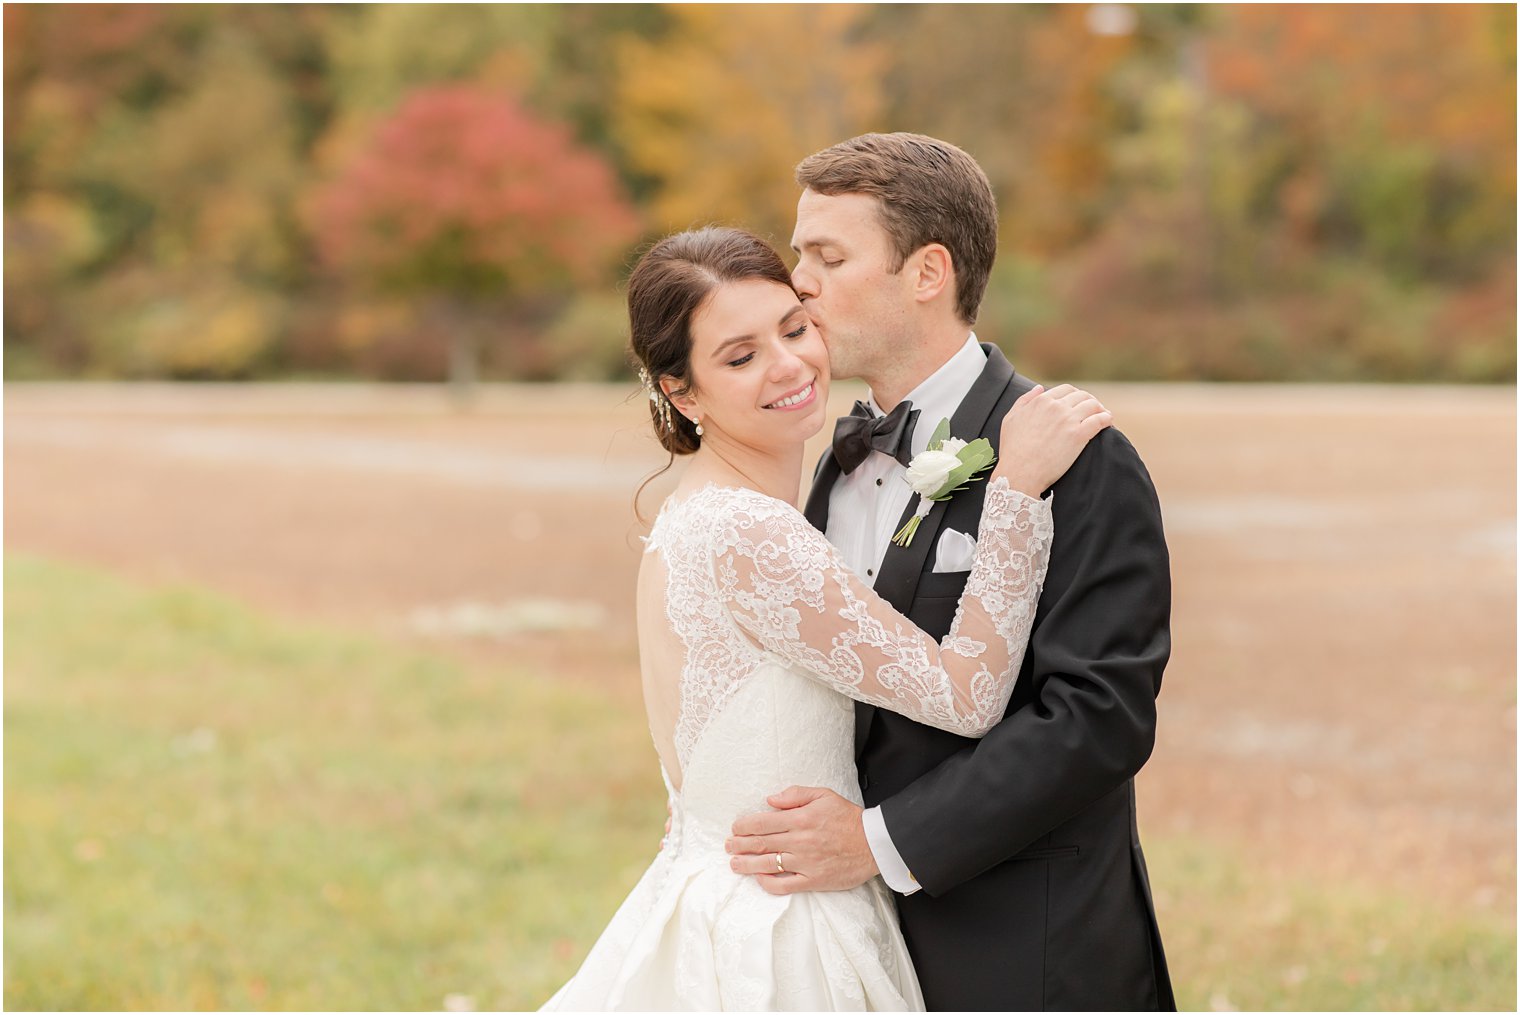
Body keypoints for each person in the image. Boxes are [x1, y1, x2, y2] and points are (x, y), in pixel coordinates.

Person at [541, 225, 1111, 1010]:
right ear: (681, 391)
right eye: (739, 357)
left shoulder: (700, 513)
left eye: (793, 327)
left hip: (719, 892)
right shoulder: (747, 531)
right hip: (781, 936)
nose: (788, 364)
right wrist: (1013, 489)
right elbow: (966, 694)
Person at [723, 132, 1175, 1010]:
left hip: (1023, 947)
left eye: (827, 255)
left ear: (927, 272)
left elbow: (1096, 718)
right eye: (797, 254)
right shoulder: (835, 457)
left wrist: (879, 840)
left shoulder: (1080, 457)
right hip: (848, 943)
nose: (798, 281)